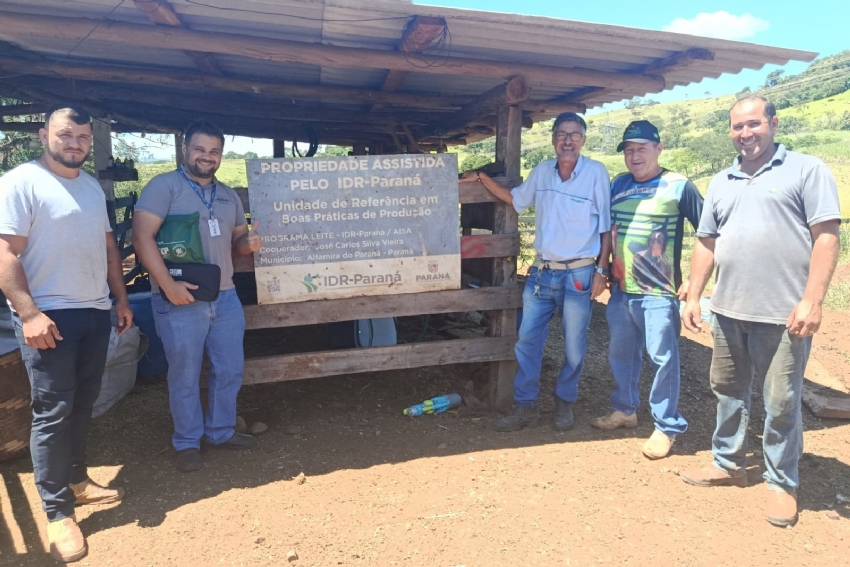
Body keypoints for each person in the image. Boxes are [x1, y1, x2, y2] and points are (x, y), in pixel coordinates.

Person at [680, 96, 841, 527]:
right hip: (728, 308)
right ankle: (728, 463)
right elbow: (706, 241)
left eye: (753, 124)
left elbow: (826, 236)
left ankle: (781, 482)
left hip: (784, 312)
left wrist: (813, 299)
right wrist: (694, 295)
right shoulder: (722, 180)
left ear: (772, 122)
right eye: (737, 127)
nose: (745, 134)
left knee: (782, 400)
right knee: (727, 390)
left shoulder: (807, 170)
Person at [0, 104, 132, 563]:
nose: (73, 143)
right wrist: (29, 313)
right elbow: (3, 251)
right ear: (43, 135)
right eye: (64, 135)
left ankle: (77, 481)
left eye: (81, 138)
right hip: (49, 317)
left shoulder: (92, 187)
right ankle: (57, 513)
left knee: (82, 402)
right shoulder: (21, 182)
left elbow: (109, 247)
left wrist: (120, 299)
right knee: (53, 411)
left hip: (94, 310)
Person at [460, 112, 611, 431]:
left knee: (574, 344)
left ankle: (564, 402)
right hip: (542, 273)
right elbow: (516, 200)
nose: (568, 141)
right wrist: (482, 179)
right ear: (553, 138)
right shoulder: (542, 172)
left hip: (579, 274)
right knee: (527, 341)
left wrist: (601, 270)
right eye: (562, 134)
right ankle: (524, 405)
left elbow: (607, 228)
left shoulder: (596, 173)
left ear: (583, 140)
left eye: (575, 135)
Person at [132, 120, 261, 473]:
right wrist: (167, 286)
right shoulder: (164, 187)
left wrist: (246, 244)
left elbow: (237, 240)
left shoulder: (228, 194)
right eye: (200, 149)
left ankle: (220, 431)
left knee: (229, 369)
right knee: (184, 373)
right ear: (186, 149)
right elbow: (142, 238)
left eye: (214, 151)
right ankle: (187, 441)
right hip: (179, 297)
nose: (207, 157)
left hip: (225, 297)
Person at [592, 120, 703, 460]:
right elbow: (609, 231)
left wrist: (694, 283)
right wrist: (602, 267)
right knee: (620, 353)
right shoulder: (619, 184)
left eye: (641, 148)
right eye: (628, 150)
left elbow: (709, 232)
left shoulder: (679, 185)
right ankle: (625, 409)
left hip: (659, 292)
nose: (633, 155)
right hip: (622, 289)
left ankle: (666, 426)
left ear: (659, 148)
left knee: (662, 358)